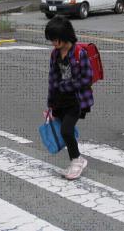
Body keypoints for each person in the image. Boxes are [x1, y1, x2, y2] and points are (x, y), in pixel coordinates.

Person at [45, 16, 93, 180]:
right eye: (51, 39)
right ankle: (73, 148)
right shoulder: (55, 54)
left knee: (65, 130)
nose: (53, 42)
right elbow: (52, 79)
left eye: (55, 39)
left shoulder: (80, 53)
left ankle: (77, 160)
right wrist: (50, 104)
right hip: (60, 100)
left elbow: (87, 78)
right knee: (65, 130)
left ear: (65, 35)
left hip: (76, 99)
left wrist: (66, 86)